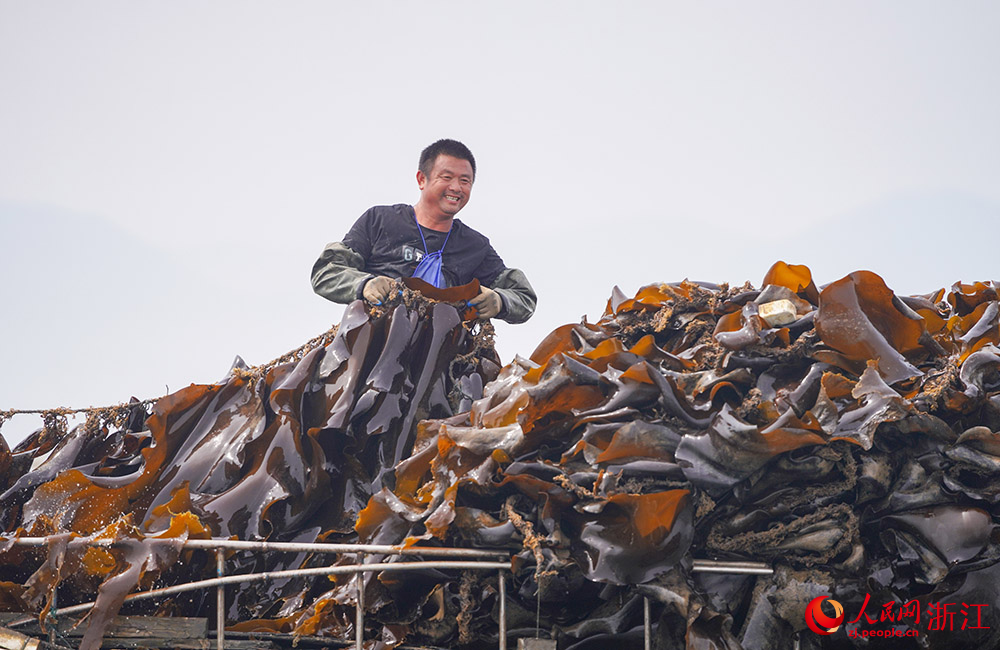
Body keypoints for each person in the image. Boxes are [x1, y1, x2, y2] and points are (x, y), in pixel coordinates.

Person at [311, 139, 536, 324]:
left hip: (441, 354)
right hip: (371, 339)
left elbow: (524, 297)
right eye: (446, 177)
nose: (456, 188)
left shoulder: (476, 246)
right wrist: (364, 285)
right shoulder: (379, 220)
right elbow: (326, 272)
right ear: (421, 179)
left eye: (465, 181)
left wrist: (500, 300)